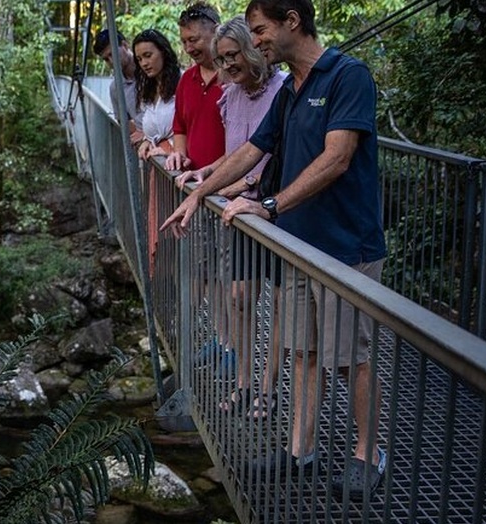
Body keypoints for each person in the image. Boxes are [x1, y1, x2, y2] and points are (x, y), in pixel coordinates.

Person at [160, 0, 387, 502]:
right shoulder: (293, 89)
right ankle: (300, 450)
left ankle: (368, 453)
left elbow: (338, 157)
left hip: (346, 246)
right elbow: (250, 150)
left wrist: (271, 203)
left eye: (260, 30)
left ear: (292, 21)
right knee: (302, 351)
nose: (256, 40)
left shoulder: (348, 76)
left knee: (350, 357)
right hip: (299, 243)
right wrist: (198, 193)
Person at [175, 15, 287, 418]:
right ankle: (243, 380)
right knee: (239, 298)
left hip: (271, 209)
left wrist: (244, 183)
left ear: (252, 49)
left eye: (232, 55)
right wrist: (208, 171)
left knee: (276, 304)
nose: (227, 66)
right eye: (221, 59)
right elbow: (238, 150)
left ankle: (268, 388)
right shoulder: (233, 93)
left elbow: (273, 152)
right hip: (237, 211)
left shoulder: (282, 91)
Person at [131, 29, 181, 274]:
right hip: (159, 174)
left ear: (164, 51)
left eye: (148, 55)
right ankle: (171, 298)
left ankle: (187, 305)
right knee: (166, 237)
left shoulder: (183, 85)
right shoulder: (150, 91)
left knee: (180, 239)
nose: (144, 63)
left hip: (179, 171)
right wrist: (145, 142)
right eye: (140, 59)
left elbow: (188, 129)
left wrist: (167, 148)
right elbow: (147, 130)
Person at [163, 3, 226, 172]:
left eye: (193, 40)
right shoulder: (186, 79)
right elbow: (180, 128)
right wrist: (179, 154)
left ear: (216, 31)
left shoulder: (235, 79)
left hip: (225, 187)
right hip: (191, 181)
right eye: (184, 42)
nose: (188, 49)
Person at [93, 29, 144, 147]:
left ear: (125, 45)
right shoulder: (116, 88)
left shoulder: (151, 69)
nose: (111, 61)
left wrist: (148, 132)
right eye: (106, 59)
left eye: (112, 54)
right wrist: (143, 132)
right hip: (149, 150)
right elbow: (123, 121)